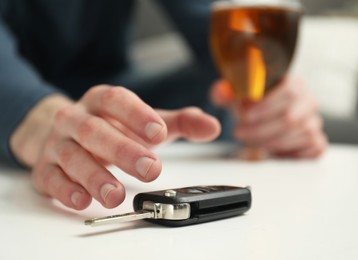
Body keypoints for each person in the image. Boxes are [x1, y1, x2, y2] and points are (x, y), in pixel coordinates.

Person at [0, 0, 327, 210]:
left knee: (211, 96)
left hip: (111, 95)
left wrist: (273, 105)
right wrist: (33, 116)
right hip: (16, 96)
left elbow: (215, 25)